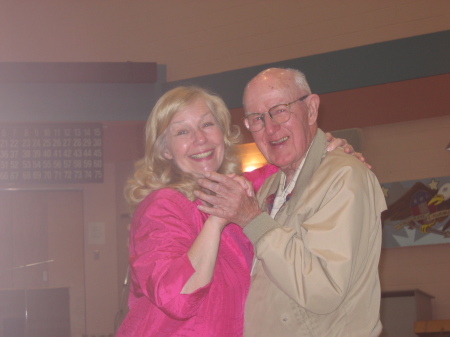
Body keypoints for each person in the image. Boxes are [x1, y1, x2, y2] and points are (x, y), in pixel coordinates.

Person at [115, 85, 365, 337]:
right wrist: (215, 222)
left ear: (223, 133)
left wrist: (330, 152)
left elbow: (293, 168)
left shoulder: (246, 190)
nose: (199, 139)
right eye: (182, 131)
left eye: (207, 125)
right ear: (165, 149)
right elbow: (177, 298)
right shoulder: (163, 206)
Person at [194, 68, 387, 337]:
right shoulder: (271, 187)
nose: (271, 128)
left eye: (280, 110)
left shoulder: (344, 176)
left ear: (311, 110)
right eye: (257, 118)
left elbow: (323, 288)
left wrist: (254, 220)